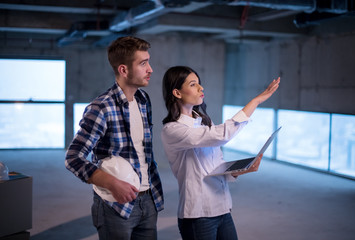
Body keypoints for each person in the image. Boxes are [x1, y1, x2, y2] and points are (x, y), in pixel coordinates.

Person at [161, 66, 280, 240]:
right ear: (177, 93)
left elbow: (216, 166)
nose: (201, 88)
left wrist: (240, 170)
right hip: (198, 214)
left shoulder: (203, 124)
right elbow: (223, 135)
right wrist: (255, 101)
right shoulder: (172, 130)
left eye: (199, 83)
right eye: (193, 84)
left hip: (223, 207)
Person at [65, 36, 164, 240]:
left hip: (149, 198)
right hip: (115, 205)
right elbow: (73, 158)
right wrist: (111, 183)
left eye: (149, 61)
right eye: (143, 63)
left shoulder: (143, 100)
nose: (150, 69)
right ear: (123, 70)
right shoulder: (101, 107)